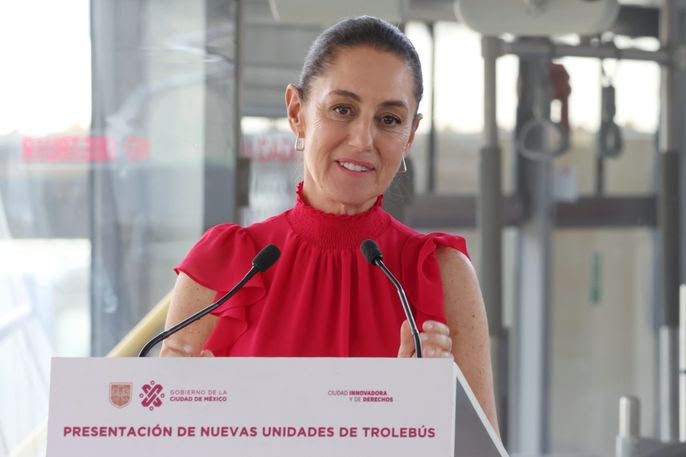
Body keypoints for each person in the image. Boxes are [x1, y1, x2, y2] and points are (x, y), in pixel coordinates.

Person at [161, 16, 499, 433]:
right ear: (297, 113)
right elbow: (164, 438)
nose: (362, 140)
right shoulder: (224, 264)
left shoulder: (441, 272)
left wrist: (430, 411)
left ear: (410, 135)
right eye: (343, 109)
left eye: (389, 119)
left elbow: (485, 449)